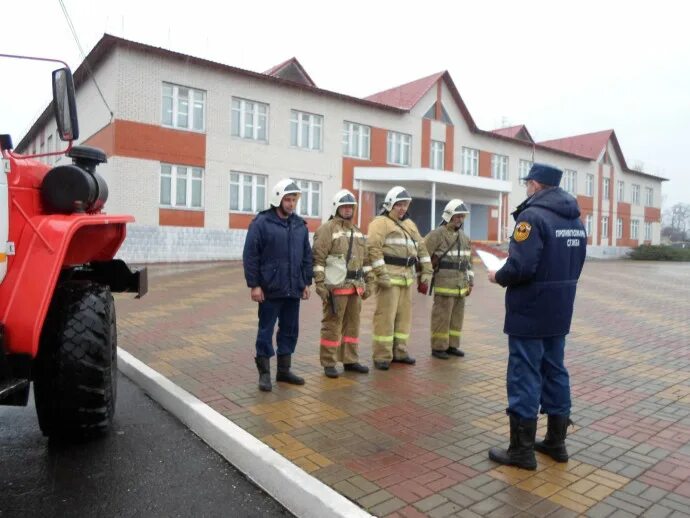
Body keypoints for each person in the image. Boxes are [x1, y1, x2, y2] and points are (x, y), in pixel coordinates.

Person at [487, 163, 586, 470]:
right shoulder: (575, 219)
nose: (526, 188)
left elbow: (521, 268)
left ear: (535, 184)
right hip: (560, 307)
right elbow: (577, 261)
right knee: (555, 369)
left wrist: (497, 275)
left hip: (530, 309)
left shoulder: (531, 217)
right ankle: (556, 442)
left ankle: (521, 451)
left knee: (524, 373)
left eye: (527, 183)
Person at [242, 178, 313, 392]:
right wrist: (254, 285)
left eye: (294, 200)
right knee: (266, 331)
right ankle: (264, 374)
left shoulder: (300, 225)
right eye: (288, 199)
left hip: (293, 289)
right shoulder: (261, 223)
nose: (291, 204)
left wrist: (305, 282)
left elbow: (306, 257)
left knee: (290, 330)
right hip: (270, 289)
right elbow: (251, 255)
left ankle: (284, 371)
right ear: (278, 199)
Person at [367, 186, 432, 370]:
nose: (402, 208)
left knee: (404, 319)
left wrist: (426, 271)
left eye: (405, 205)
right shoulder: (380, 223)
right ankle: (382, 355)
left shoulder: (409, 225)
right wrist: (382, 274)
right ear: (390, 205)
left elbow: (421, 248)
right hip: (389, 279)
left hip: (406, 279)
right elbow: (373, 249)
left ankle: (400, 352)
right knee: (385, 318)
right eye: (399, 205)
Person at [312, 189, 375, 378]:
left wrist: (369, 282)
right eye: (344, 206)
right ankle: (329, 363)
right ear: (336, 208)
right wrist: (320, 284)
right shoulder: (327, 229)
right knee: (332, 326)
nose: (348, 210)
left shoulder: (357, 232)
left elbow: (366, 261)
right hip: (336, 288)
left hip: (355, 289)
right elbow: (318, 259)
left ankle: (350, 360)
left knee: (353, 326)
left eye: (350, 207)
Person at [423, 199, 474, 360]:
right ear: (449, 216)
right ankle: (438, 347)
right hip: (444, 284)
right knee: (442, 317)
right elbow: (423, 254)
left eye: (462, 217)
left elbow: (469, 263)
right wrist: (423, 276)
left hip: (460, 285)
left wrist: (470, 281)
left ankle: (452, 345)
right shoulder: (437, 234)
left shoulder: (464, 238)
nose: (459, 220)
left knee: (457, 318)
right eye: (457, 216)